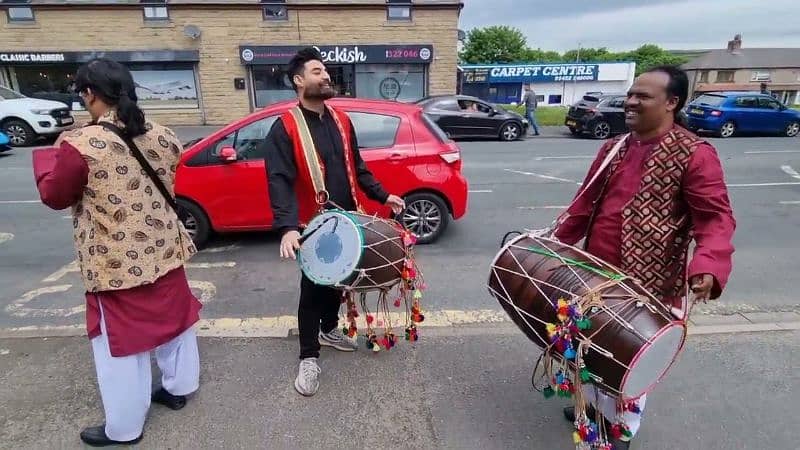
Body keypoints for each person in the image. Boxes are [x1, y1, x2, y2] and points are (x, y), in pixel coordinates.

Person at [552, 65, 736, 449]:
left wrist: (708, 265)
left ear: (672, 103)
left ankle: (620, 431)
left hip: (649, 285)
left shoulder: (695, 154)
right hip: (596, 274)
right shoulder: (614, 147)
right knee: (589, 346)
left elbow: (716, 218)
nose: (631, 102)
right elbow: (584, 206)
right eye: (631, 94)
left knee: (628, 358)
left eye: (643, 96)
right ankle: (594, 410)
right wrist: (555, 245)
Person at [33, 58, 201, 447]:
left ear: (89, 94)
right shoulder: (161, 134)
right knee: (177, 324)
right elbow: (171, 163)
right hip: (164, 249)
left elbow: (54, 195)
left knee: (119, 346)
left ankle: (124, 428)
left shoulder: (81, 145)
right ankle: (179, 389)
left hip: (115, 263)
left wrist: (51, 153)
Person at [264, 47, 406, 397]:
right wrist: (287, 227)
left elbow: (357, 167)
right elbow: (278, 179)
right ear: (299, 80)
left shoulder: (341, 120)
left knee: (340, 282)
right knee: (313, 288)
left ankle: (329, 329)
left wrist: (382, 195)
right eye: (316, 71)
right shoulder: (284, 127)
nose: (325, 76)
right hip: (314, 226)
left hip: (348, 218)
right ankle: (308, 357)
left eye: (326, 71)